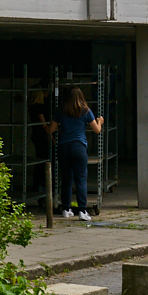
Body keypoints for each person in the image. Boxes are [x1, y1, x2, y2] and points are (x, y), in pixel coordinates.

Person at [49, 86, 103, 221]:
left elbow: (52, 129)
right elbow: (96, 130)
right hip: (79, 147)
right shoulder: (85, 110)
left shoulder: (60, 110)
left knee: (66, 178)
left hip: (63, 147)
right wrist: (99, 122)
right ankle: (82, 210)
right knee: (81, 179)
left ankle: (66, 209)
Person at [28, 85, 53, 201]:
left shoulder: (33, 106)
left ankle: (38, 184)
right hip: (40, 136)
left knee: (41, 159)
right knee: (43, 160)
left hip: (37, 135)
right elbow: (43, 124)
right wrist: (50, 133)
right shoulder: (38, 107)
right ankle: (40, 184)